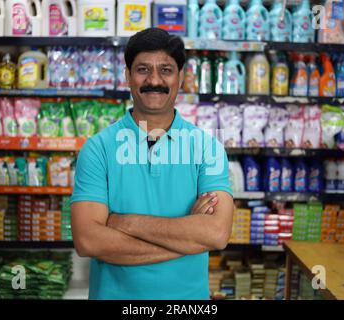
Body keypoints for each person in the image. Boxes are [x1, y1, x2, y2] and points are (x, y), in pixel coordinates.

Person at [71, 28, 234, 300]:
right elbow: (88, 240)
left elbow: (216, 234)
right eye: (143, 69)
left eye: (166, 70)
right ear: (127, 76)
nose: (154, 80)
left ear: (181, 77)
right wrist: (188, 240)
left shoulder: (208, 148)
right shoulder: (98, 149)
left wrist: (123, 222)